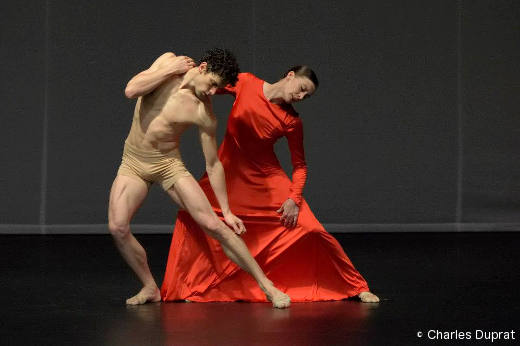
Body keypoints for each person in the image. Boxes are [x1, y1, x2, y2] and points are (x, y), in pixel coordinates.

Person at [161, 67, 380, 303]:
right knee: (195, 215)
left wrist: (293, 199)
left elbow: (300, 166)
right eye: (302, 89)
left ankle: (356, 286)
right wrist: (176, 84)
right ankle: (190, 285)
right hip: (228, 173)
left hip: (266, 179)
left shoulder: (292, 121)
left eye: (307, 96)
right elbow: (207, 84)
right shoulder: (246, 83)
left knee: (312, 229)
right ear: (290, 76)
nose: (301, 97)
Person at [108, 48, 290, 308]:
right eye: (214, 84)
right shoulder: (168, 62)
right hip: (134, 162)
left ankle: (268, 287)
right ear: (202, 68)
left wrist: (226, 211)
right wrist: (170, 70)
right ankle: (150, 286)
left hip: (168, 164)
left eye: (220, 89)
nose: (214, 92)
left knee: (215, 225)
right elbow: (131, 90)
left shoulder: (203, 112)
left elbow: (213, 164)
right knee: (117, 227)